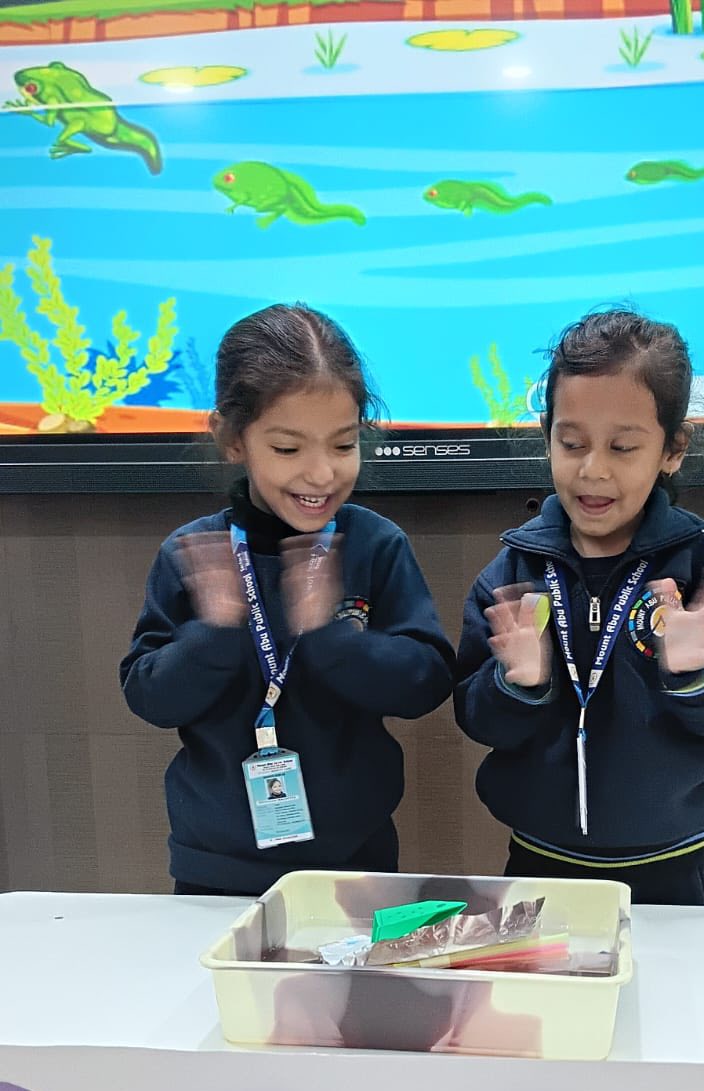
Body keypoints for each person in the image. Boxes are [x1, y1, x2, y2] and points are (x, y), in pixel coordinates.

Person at [121, 303, 454, 896]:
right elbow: (150, 698)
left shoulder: (374, 545)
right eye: (287, 449)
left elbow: (425, 683)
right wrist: (214, 633)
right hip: (214, 870)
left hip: (356, 864)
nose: (321, 474)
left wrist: (331, 637)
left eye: (343, 445)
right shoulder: (194, 554)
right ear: (233, 439)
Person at [454, 309, 704, 906]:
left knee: (672, 974)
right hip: (540, 860)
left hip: (673, 863)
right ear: (547, 435)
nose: (593, 469)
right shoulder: (512, 575)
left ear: (672, 449)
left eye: (623, 447)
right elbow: (476, 719)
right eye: (571, 443)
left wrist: (699, 672)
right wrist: (517, 684)